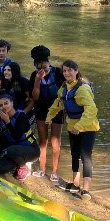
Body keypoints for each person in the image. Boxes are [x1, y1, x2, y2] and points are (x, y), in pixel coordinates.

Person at [46, 59, 99, 201]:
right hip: (72, 126)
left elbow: (91, 110)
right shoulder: (64, 88)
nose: (67, 73)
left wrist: (79, 126)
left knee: (85, 155)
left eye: (70, 70)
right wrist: (49, 117)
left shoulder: (83, 89)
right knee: (74, 154)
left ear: (76, 71)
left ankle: (86, 190)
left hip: (87, 127)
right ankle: (75, 184)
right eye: (64, 71)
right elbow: (58, 103)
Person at [28, 45, 64, 181]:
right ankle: (42, 169)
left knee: (56, 142)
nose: (40, 67)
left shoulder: (58, 73)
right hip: (41, 110)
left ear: (47, 61)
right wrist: (37, 81)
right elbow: (35, 97)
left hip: (57, 110)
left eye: (42, 63)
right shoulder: (34, 75)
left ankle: (54, 172)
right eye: (37, 64)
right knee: (43, 141)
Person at [0, 94, 39, 181]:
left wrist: (7, 122)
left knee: (11, 150)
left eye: (6, 103)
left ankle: (25, 166)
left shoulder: (21, 116)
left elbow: (17, 136)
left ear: (12, 103)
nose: (4, 107)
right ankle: (17, 163)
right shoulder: (1, 119)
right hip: (14, 150)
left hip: (31, 150)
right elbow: (3, 140)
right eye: (1, 105)